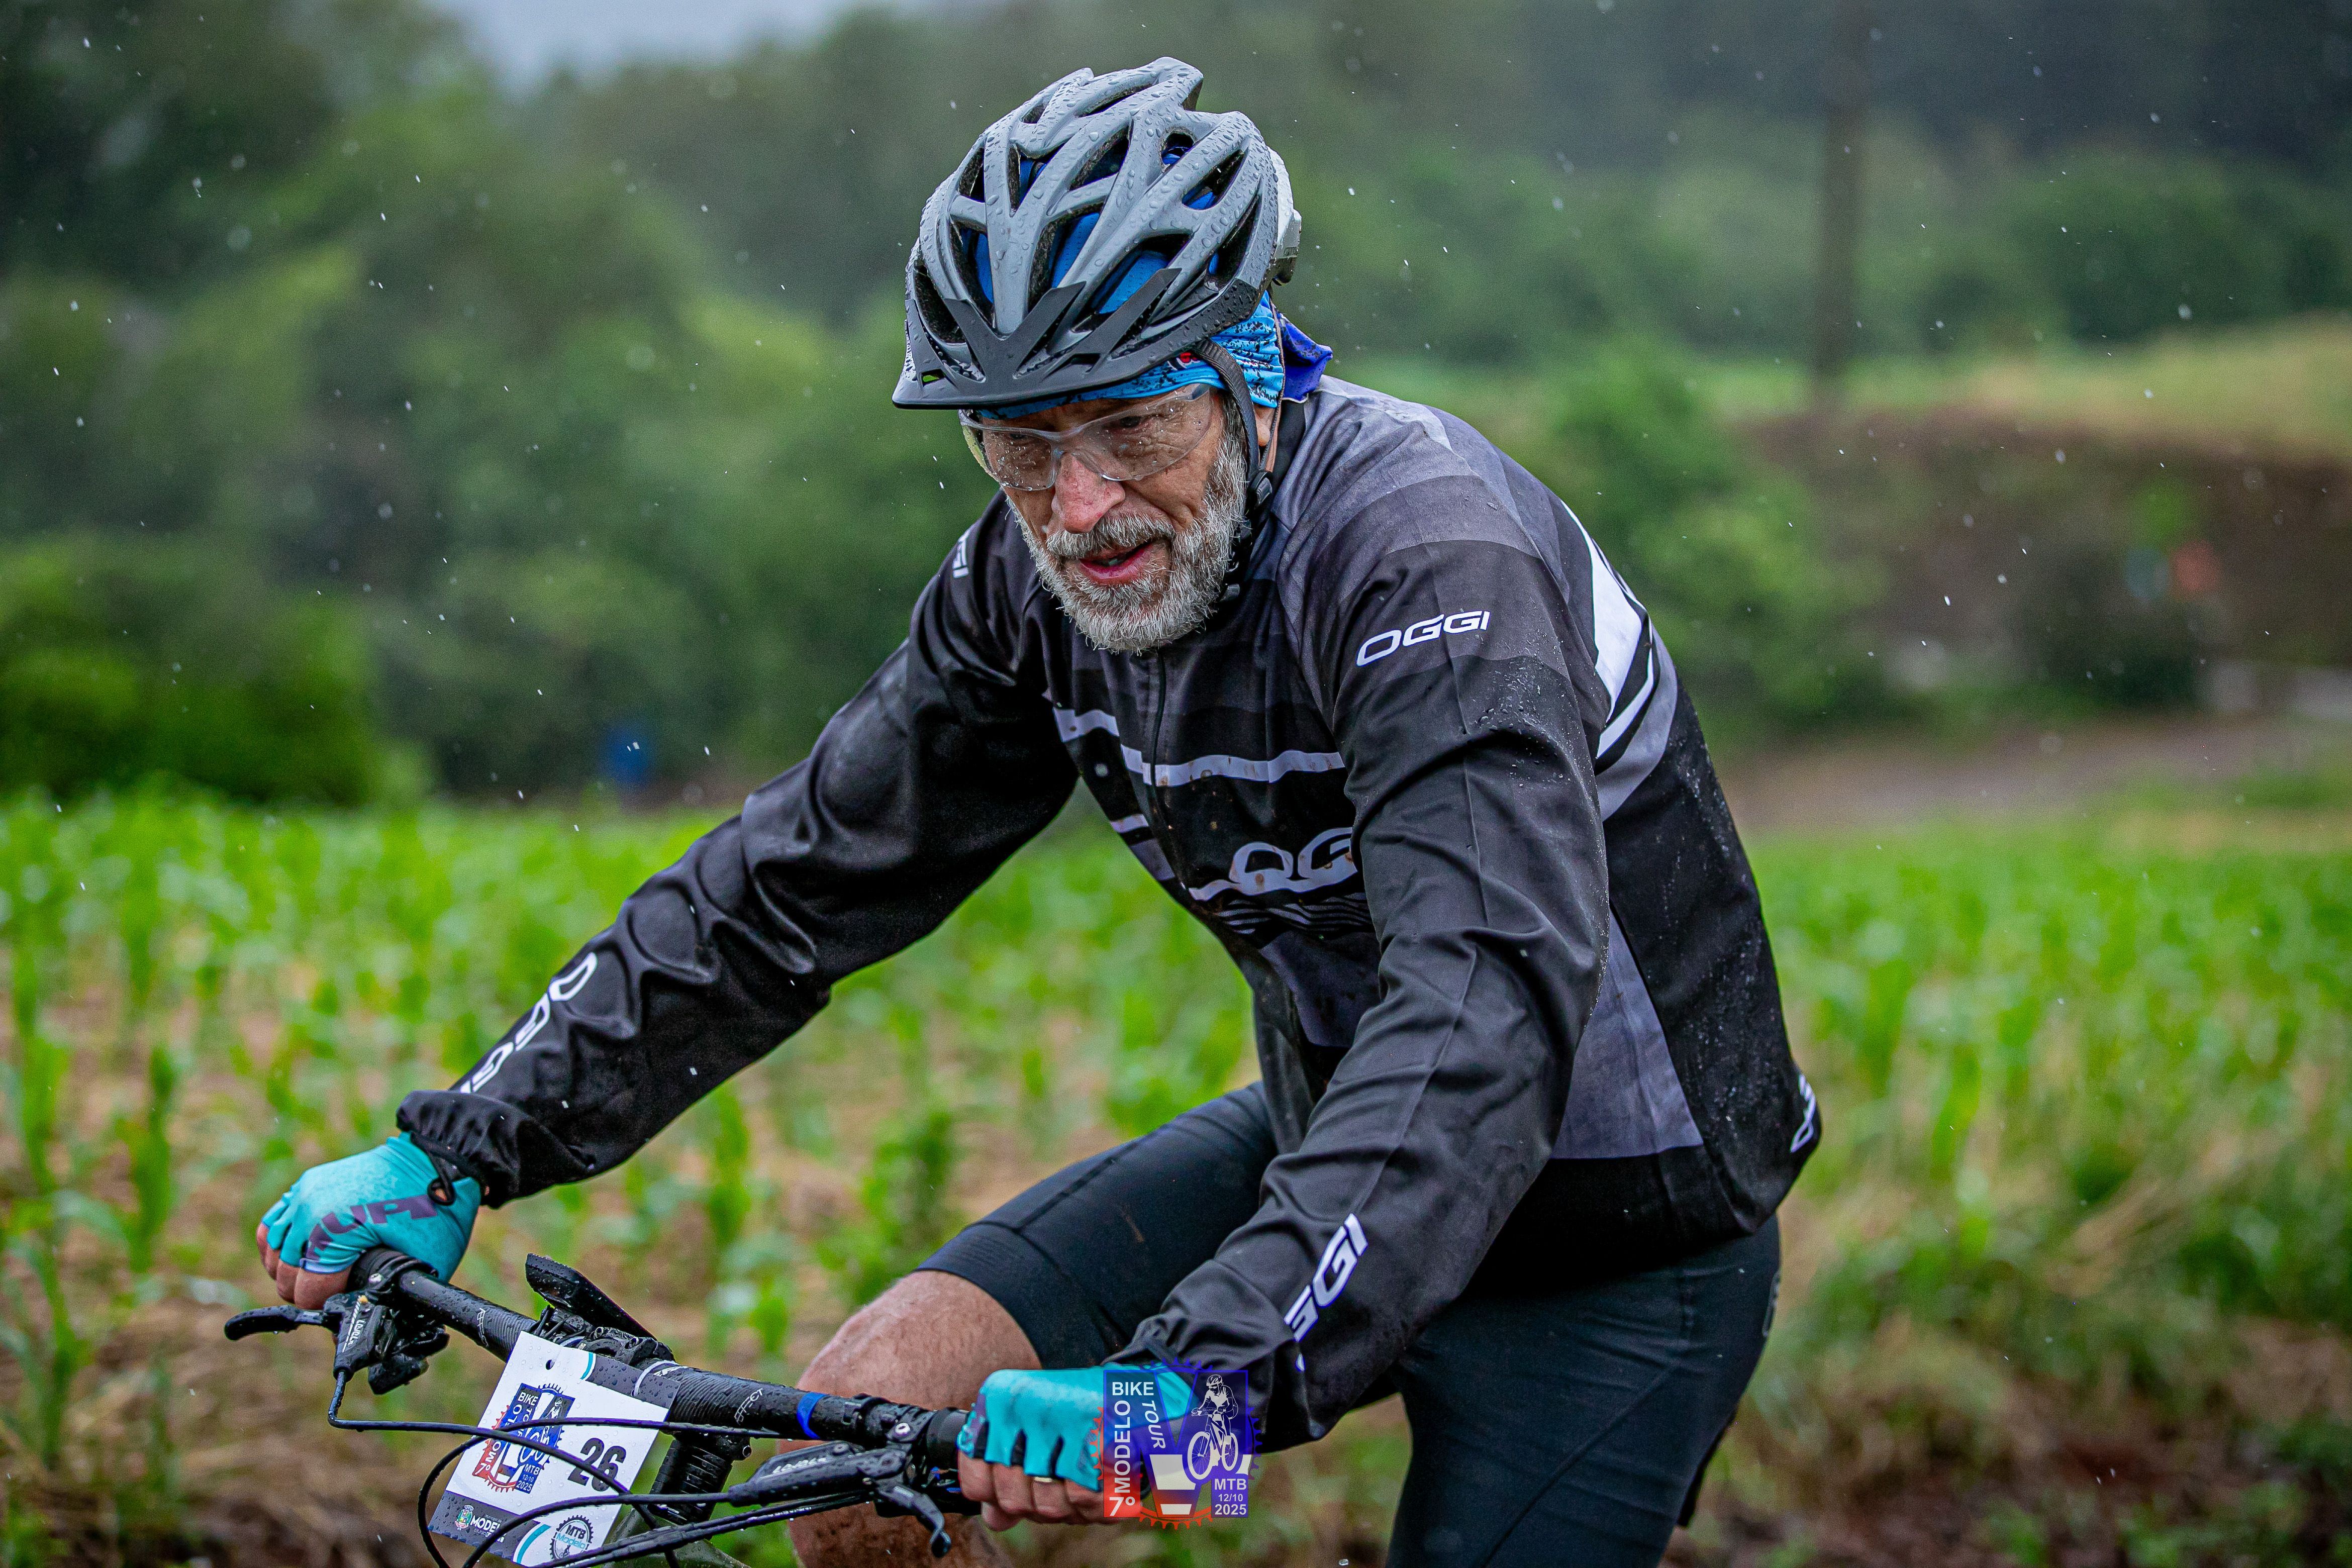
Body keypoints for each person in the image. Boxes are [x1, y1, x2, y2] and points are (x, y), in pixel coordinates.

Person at [255, 57, 1819, 1568]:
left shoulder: (1427, 564)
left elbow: (1480, 1004)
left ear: (1252, 376)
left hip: (1615, 1239)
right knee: (857, 1472)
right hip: (1332, 1146)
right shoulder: (1029, 585)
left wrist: (1205, 1374)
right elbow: (790, 885)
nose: (1080, 509)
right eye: (1019, 439)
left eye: (1133, 424)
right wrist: (464, 1148)